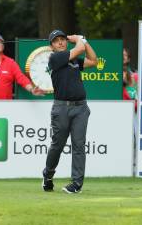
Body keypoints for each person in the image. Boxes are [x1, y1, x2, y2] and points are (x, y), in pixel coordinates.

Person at [42, 30, 97, 194]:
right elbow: (79, 49)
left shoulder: (73, 61)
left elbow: (93, 61)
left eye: (63, 40)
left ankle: (76, 184)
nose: (60, 42)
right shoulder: (54, 58)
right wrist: (80, 39)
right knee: (57, 145)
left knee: (79, 146)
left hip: (81, 108)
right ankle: (48, 174)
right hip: (61, 108)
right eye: (56, 41)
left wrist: (85, 41)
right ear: (51, 45)